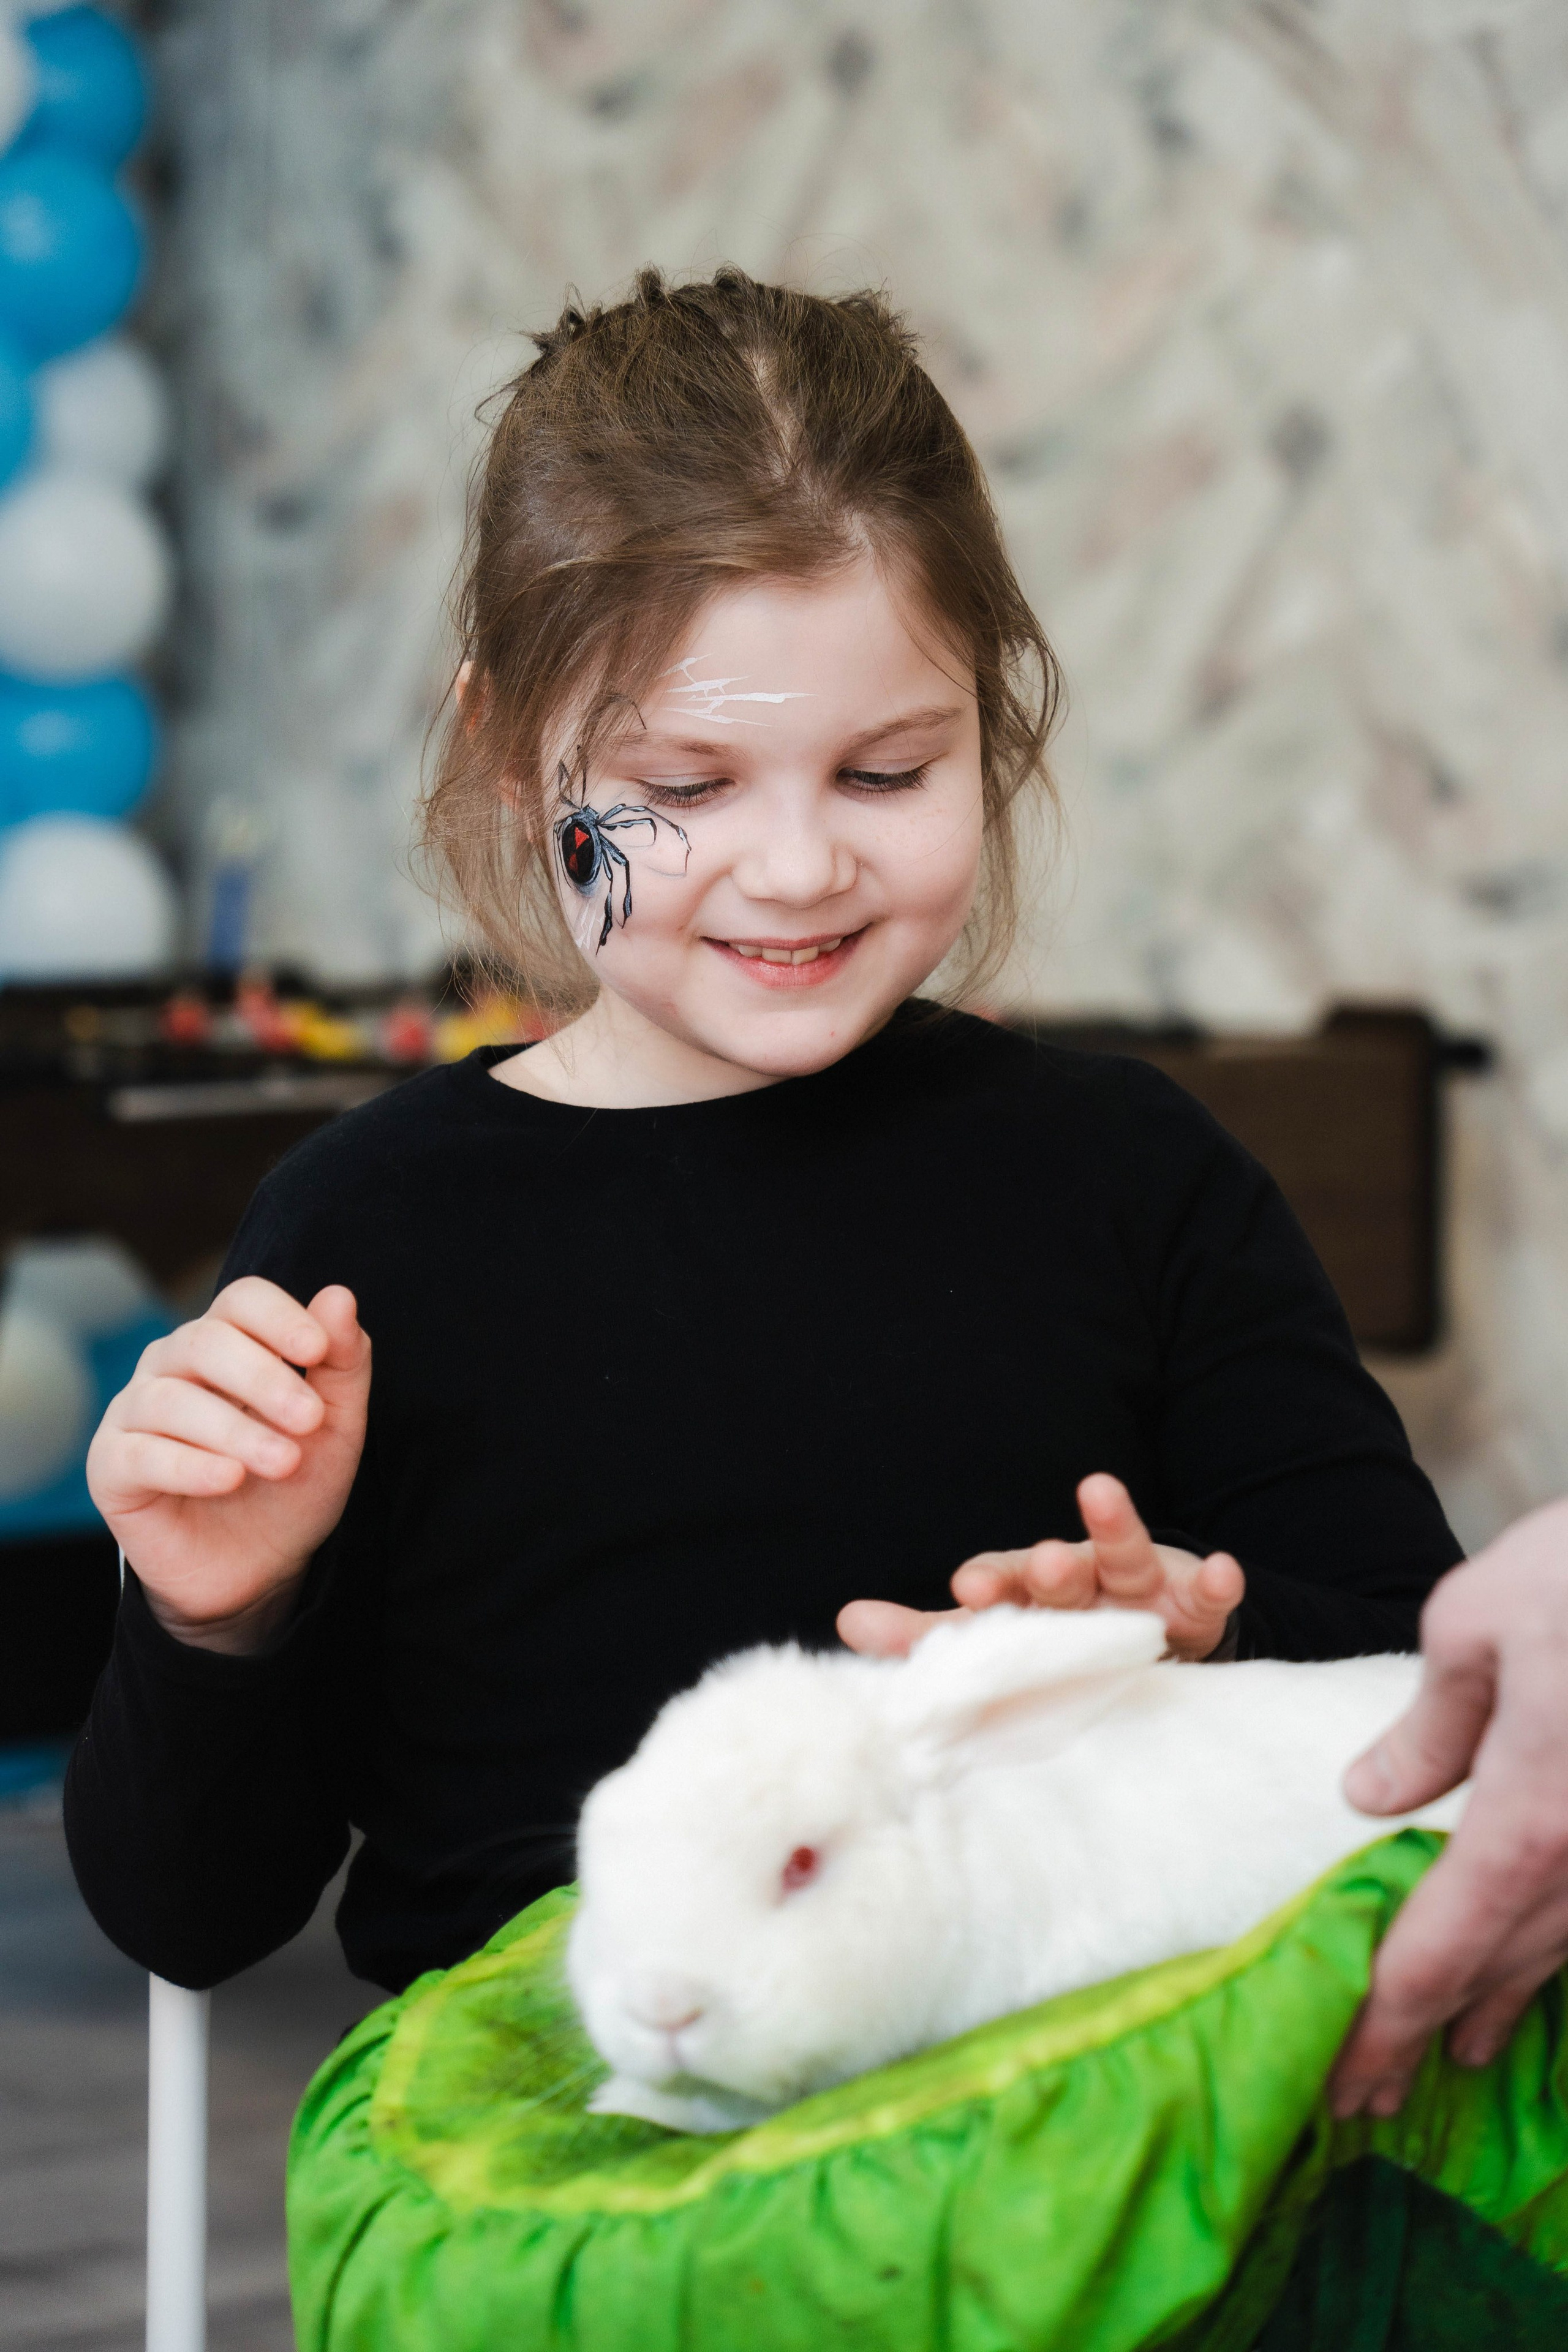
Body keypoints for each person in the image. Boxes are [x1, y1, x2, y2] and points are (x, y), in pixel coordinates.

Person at [67, 268, 1461, 2000]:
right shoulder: (371, 1231)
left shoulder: (1136, 1177)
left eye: (886, 774)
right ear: (508, 752)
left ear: (989, 721)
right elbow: (187, 1914)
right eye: (685, 787)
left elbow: (1423, 1693)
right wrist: (216, 1616)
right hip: (575, 2111)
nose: (798, 869)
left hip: (1052, 2073)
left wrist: (1203, 1635)